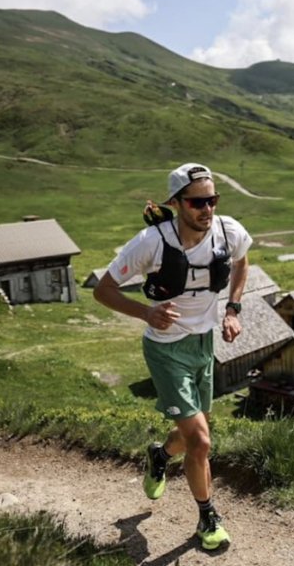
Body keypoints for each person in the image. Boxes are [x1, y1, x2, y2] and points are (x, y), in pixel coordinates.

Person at [93, 163, 251, 551]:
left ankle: (160, 455)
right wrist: (147, 313)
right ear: (177, 203)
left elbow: (242, 261)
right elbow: (103, 289)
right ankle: (208, 517)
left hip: (204, 345)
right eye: (197, 202)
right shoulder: (150, 242)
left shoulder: (228, 231)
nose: (207, 209)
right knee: (201, 441)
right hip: (165, 350)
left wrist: (233, 309)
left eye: (212, 200)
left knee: (192, 435)